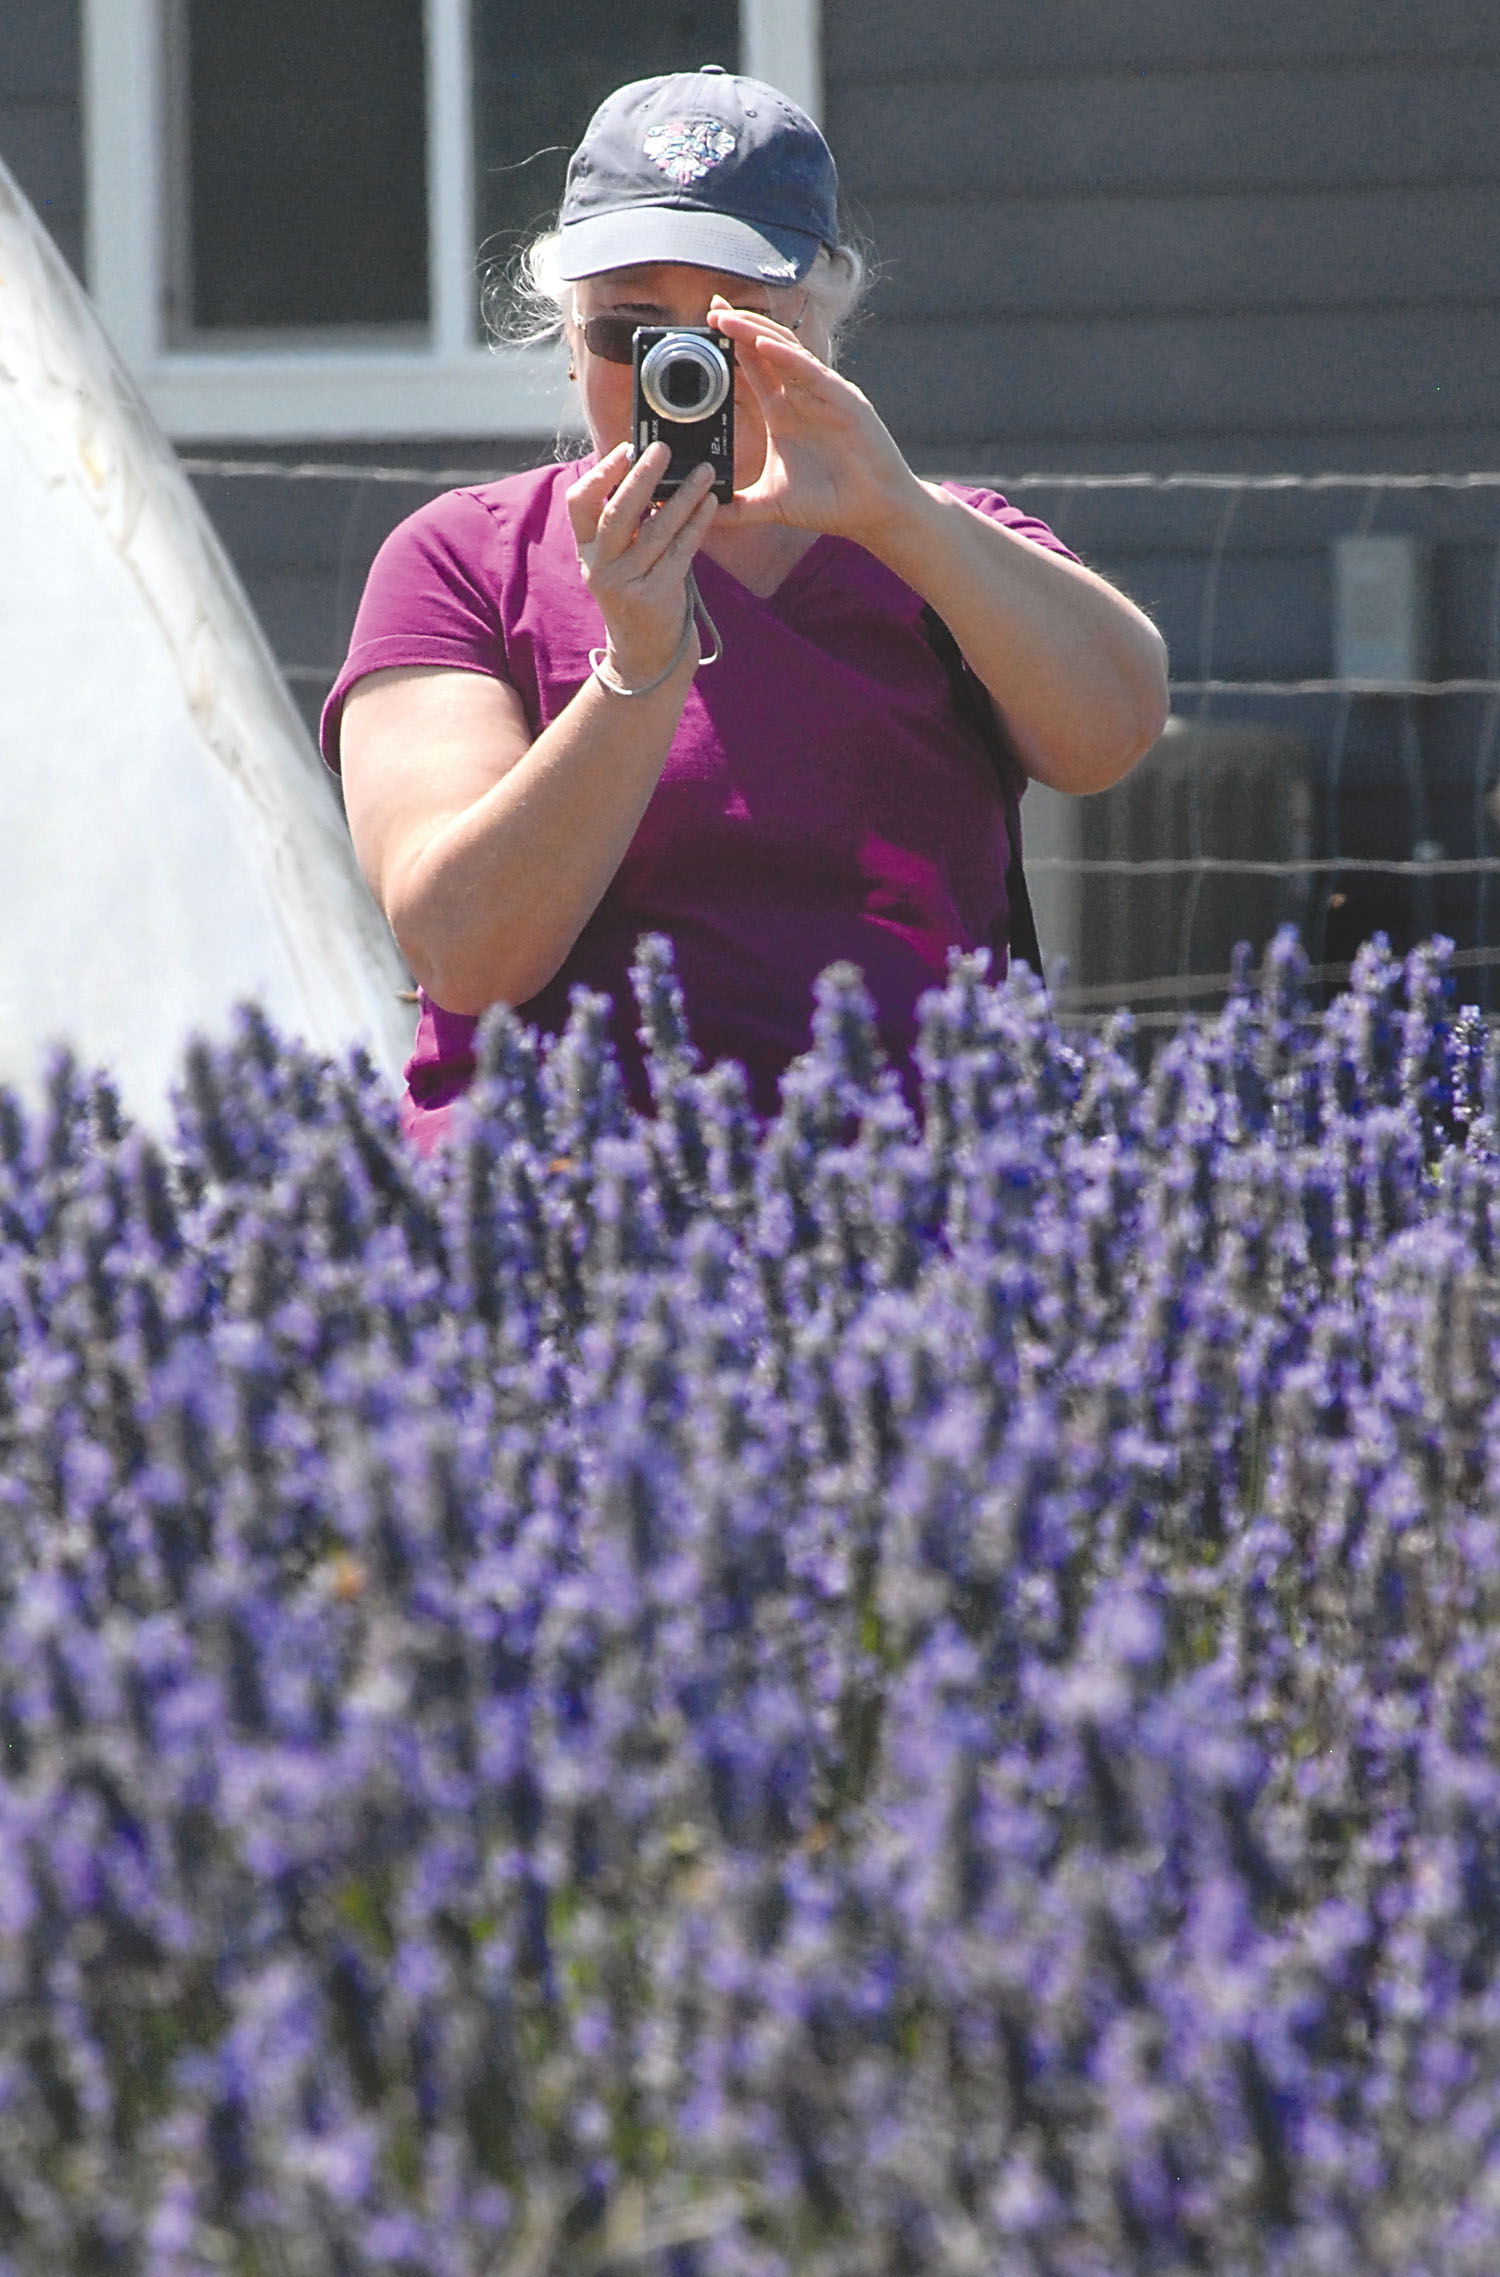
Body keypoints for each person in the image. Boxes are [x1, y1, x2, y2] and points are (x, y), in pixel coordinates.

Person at [321, 66, 1168, 1147]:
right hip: (563, 1218)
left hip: (906, 1218)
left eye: (733, 325)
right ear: (567, 333)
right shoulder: (464, 560)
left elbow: (1113, 731)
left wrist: (900, 515)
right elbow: (464, 948)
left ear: (819, 327)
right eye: (630, 328)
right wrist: (637, 669)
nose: (680, 367)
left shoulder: (936, 541)